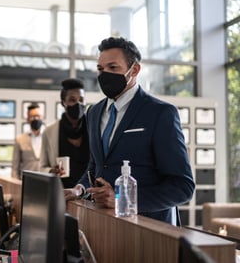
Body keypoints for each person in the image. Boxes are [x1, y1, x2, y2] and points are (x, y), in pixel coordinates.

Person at [64, 37, 195, 225]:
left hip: (150, 228)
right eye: (101, 69)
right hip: (104, 224)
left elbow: (183, 187)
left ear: (134, 70)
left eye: (113, 68)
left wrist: (126, 200)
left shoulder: (160, 113)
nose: (104, 74)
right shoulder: (93, 112)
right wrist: (80, 188)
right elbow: (96, 166)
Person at [40, 78, 90, 188]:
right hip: (61, 192)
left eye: (81, 100)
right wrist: (51, 171)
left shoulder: (93, 129)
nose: (78, 104)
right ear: (63, 103)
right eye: (72, 100)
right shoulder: (49, 132)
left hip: (89, 193)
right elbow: (42, 166)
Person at [11, 103, 44, 179]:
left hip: (46, 182)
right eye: (32, 117)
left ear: (42, 117)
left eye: (38, 116)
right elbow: (15, 167)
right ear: (27, 119)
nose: (36, 119)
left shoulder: (48, 137)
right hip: (26, 183)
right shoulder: (20, 139)